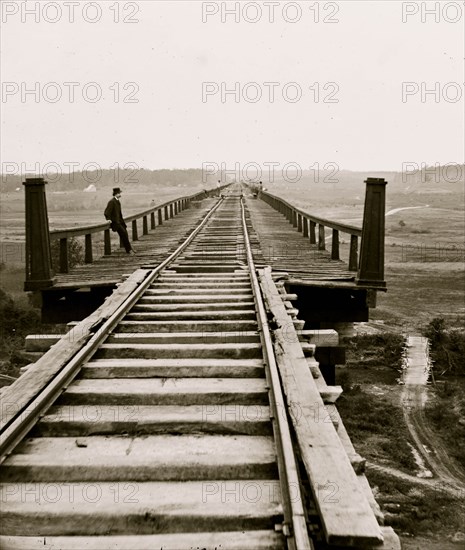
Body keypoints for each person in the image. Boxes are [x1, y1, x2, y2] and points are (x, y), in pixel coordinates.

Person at [104, 187, 136, 255]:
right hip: (115, 223)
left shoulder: (117, 201)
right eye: (119, 193)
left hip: (120, 222)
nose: (120, 194)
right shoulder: (112, 202)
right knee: (123, 234)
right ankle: (129, 250)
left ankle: (130, 248)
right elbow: (107, 212)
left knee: (125, 234)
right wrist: (108, 219)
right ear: (116, 194)